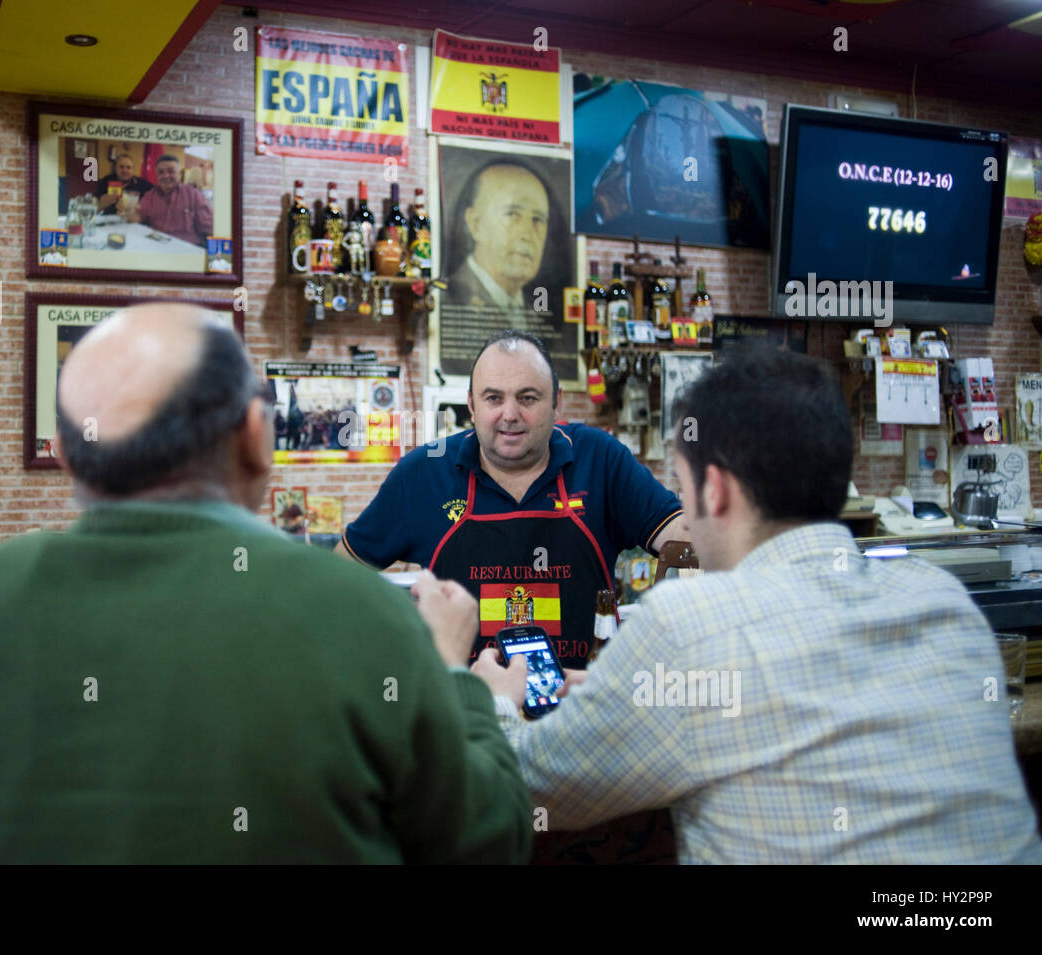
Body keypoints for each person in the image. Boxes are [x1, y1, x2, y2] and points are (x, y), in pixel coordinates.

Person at [0, 303, 531, 864]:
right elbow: (486, 841)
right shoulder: (360, 612)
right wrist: (464, 683)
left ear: (65, 452)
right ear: (257, 438)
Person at [471, 347, 1042, 864]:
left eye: (683, 487)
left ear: (715, 491)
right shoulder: (944, 601)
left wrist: (490, 698)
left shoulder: (688, 625)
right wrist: (620, 690)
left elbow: (518, 790)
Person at [339, 330, 685, 670]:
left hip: (583, 699)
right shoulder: (423, 474)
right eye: (493, 398)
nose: (509, 414)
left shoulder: (600, 459)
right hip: (467, 701)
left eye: (528, 398)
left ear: (557, 402)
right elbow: (339, 576)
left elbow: (682, 539)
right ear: (472, 405)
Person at [444, 162, 551, 312]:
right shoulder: (447, 298)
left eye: (537, 219)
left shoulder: (538, 311)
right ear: (475, 224)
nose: (527, 235)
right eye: (511, 214)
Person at [127, 154, 213, 245]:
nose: (166, 176)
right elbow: (138, 218)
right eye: (161, 172)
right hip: (156, 246)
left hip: (187, 248)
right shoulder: (149, 196)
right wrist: (128, 212)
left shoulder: (194, 195)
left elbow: (209, 230)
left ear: (180, 174)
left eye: (171, 171)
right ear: (156, 176)